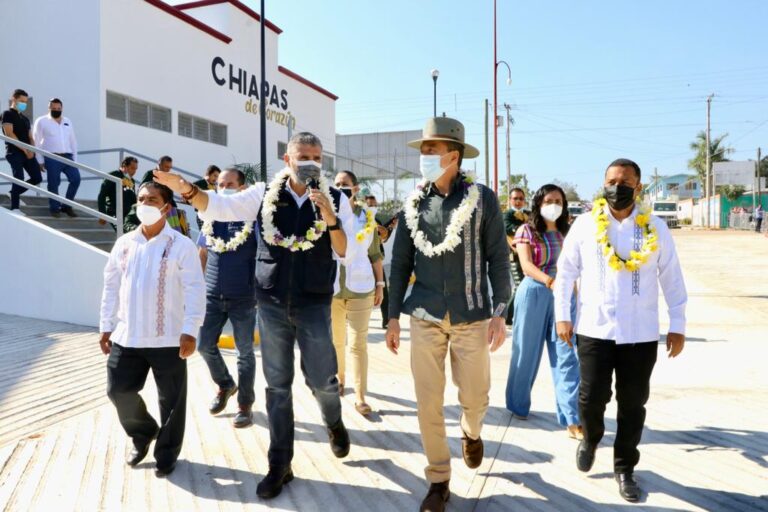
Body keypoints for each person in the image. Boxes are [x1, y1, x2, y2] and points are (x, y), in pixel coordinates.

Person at [153, 131, 354, 500]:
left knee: (323, 380)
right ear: (287, 159)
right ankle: (280, 463)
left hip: (313, 303)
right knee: (277, 385)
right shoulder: (263, 194)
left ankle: (334, 421)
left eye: (317, 156)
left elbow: (345, 252)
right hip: (273, 302)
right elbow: (219, 206)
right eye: (303, 155)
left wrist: (329, 216)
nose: (311, 161)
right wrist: (184, 187)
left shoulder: (337, 197)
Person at [386, 117, 511, 512]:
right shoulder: (414, 202)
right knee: (427, 401)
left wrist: (500, 310)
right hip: (423, 313)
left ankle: (471, 433)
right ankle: (438, 480)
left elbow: (498, 258)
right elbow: (401, 261)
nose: (424, 156)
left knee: (475, 398)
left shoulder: (483, 199)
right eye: (423, 149)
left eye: (431, 150)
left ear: (453, 156)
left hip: (472, 313)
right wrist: (392, 316)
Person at [554, 158, 687, 503]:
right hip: (594, 328)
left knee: (633, 403)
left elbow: (671, 277)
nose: (616, 186)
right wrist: (561, 316)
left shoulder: (655, 227)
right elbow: (566, 272)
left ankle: (625, 467)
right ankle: (591, 437)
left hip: (640, 334)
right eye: (610, 180)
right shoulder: (585, 225)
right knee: (591, 396)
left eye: (624, 181)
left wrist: (678, 324)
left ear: (638, 187)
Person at [99, 181, 206, 478]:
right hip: (127, 336)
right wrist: (106, 326)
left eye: (152, 199)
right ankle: (143, 432)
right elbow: (111, 286)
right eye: (141, 199)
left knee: (171, 403)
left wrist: (190, 330)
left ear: (166, 207)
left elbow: (195, 289)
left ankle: (167, 454)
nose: (145, 204)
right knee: (117, 390)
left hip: (169, 337)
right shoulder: (124, 243)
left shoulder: (181, 245)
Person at [504, 184, 581, 440]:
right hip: (535, 291)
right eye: (549, 200)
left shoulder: (568, 232)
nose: (554, 204)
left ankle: (572, 418)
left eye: (558, 200)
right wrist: (550, 282)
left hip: (564, 296)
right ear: (538, 203)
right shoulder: (526, 230)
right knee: (526, 351)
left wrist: (574, 291)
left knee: (567, 354)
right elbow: (526, 265)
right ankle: (518, 403)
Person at [196, 168, 257, 429]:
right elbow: (202, 252)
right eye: (220, 184)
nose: (224, 188)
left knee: (244, 353)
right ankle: (225, 385)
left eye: (229, 184)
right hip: (212, 295)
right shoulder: (210, 216)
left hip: (243, 297)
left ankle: (245, 405)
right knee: (203, 345)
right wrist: (197, 287)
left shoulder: (253, 220)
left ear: (242, 189)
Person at [331, 170, 384, 416]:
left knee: (358, 344)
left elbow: (375, 254)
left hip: (361, 288)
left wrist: (381, 284)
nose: (341, 187)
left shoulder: (368, 218)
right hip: (332, 289)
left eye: (345, 184)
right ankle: (340, 379)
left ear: (355, 188)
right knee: (337, 341)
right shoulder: (325, 214)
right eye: (337, 184)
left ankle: (360, 396)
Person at [32, 98, 80, 218]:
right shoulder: (42, 121)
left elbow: (73, 141)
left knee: (76, 179)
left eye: (59, 108)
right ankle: (54, 208)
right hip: (51, 157)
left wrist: (75, 159)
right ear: (49, 108)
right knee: (54, 183)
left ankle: (67, 206)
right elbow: (36, 141)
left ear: (62, 108)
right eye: (54, 108)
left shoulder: (67, 121)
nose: (56, 110)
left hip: (68, 156)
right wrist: (40, 160)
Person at [1, 89, 42, 214]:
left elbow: (30, 137)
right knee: (19, 178)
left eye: (25, 102)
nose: (24, 104)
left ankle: (14, 193)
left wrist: (32, 150)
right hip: (14, 152)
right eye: (21, 101)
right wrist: (25, 149)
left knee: (36, 177)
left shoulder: (25, 118)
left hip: (28, 152)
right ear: (14, 99)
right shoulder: (7, 114)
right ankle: (15, 208)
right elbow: (9, 134)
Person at [125, 156, 189, 235]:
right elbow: (143, 190)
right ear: (159, 165)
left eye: (169, 167)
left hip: (163, 210)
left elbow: (169, 196)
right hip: (151, 207)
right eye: (166, 167)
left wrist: (174, 207)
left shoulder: (168, 176)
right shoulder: (150, 174)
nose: (168, 169)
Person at [503, 187, 530, 325]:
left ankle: (514, 315)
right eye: (515, 198)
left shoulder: (529, 215)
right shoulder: (507, 215)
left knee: (526, 286)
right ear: (510, 200)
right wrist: (526, 228)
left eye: (521, 198)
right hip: (514, 256)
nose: (518, 201)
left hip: (530, 257)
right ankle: (507, 315)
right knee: (520, 286)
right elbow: (508, 228)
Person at [98, 156, 138, 230]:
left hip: (127, 214)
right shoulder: (113, 175)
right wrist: (102, 214)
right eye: (132, 168)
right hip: (114, 212)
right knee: (123, 232)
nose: (134, 171)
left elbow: (133, 199)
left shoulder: (132, 181)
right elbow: (102, 195)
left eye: (136, 169)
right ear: (124, 166)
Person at [193, 165, 222, 229]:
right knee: (204, 235)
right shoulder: (200, 183)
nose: (216, 179)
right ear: (209, 174)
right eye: (215, 176)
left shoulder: (215, 186)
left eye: (218, 177)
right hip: (202, 215)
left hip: (212, 216)